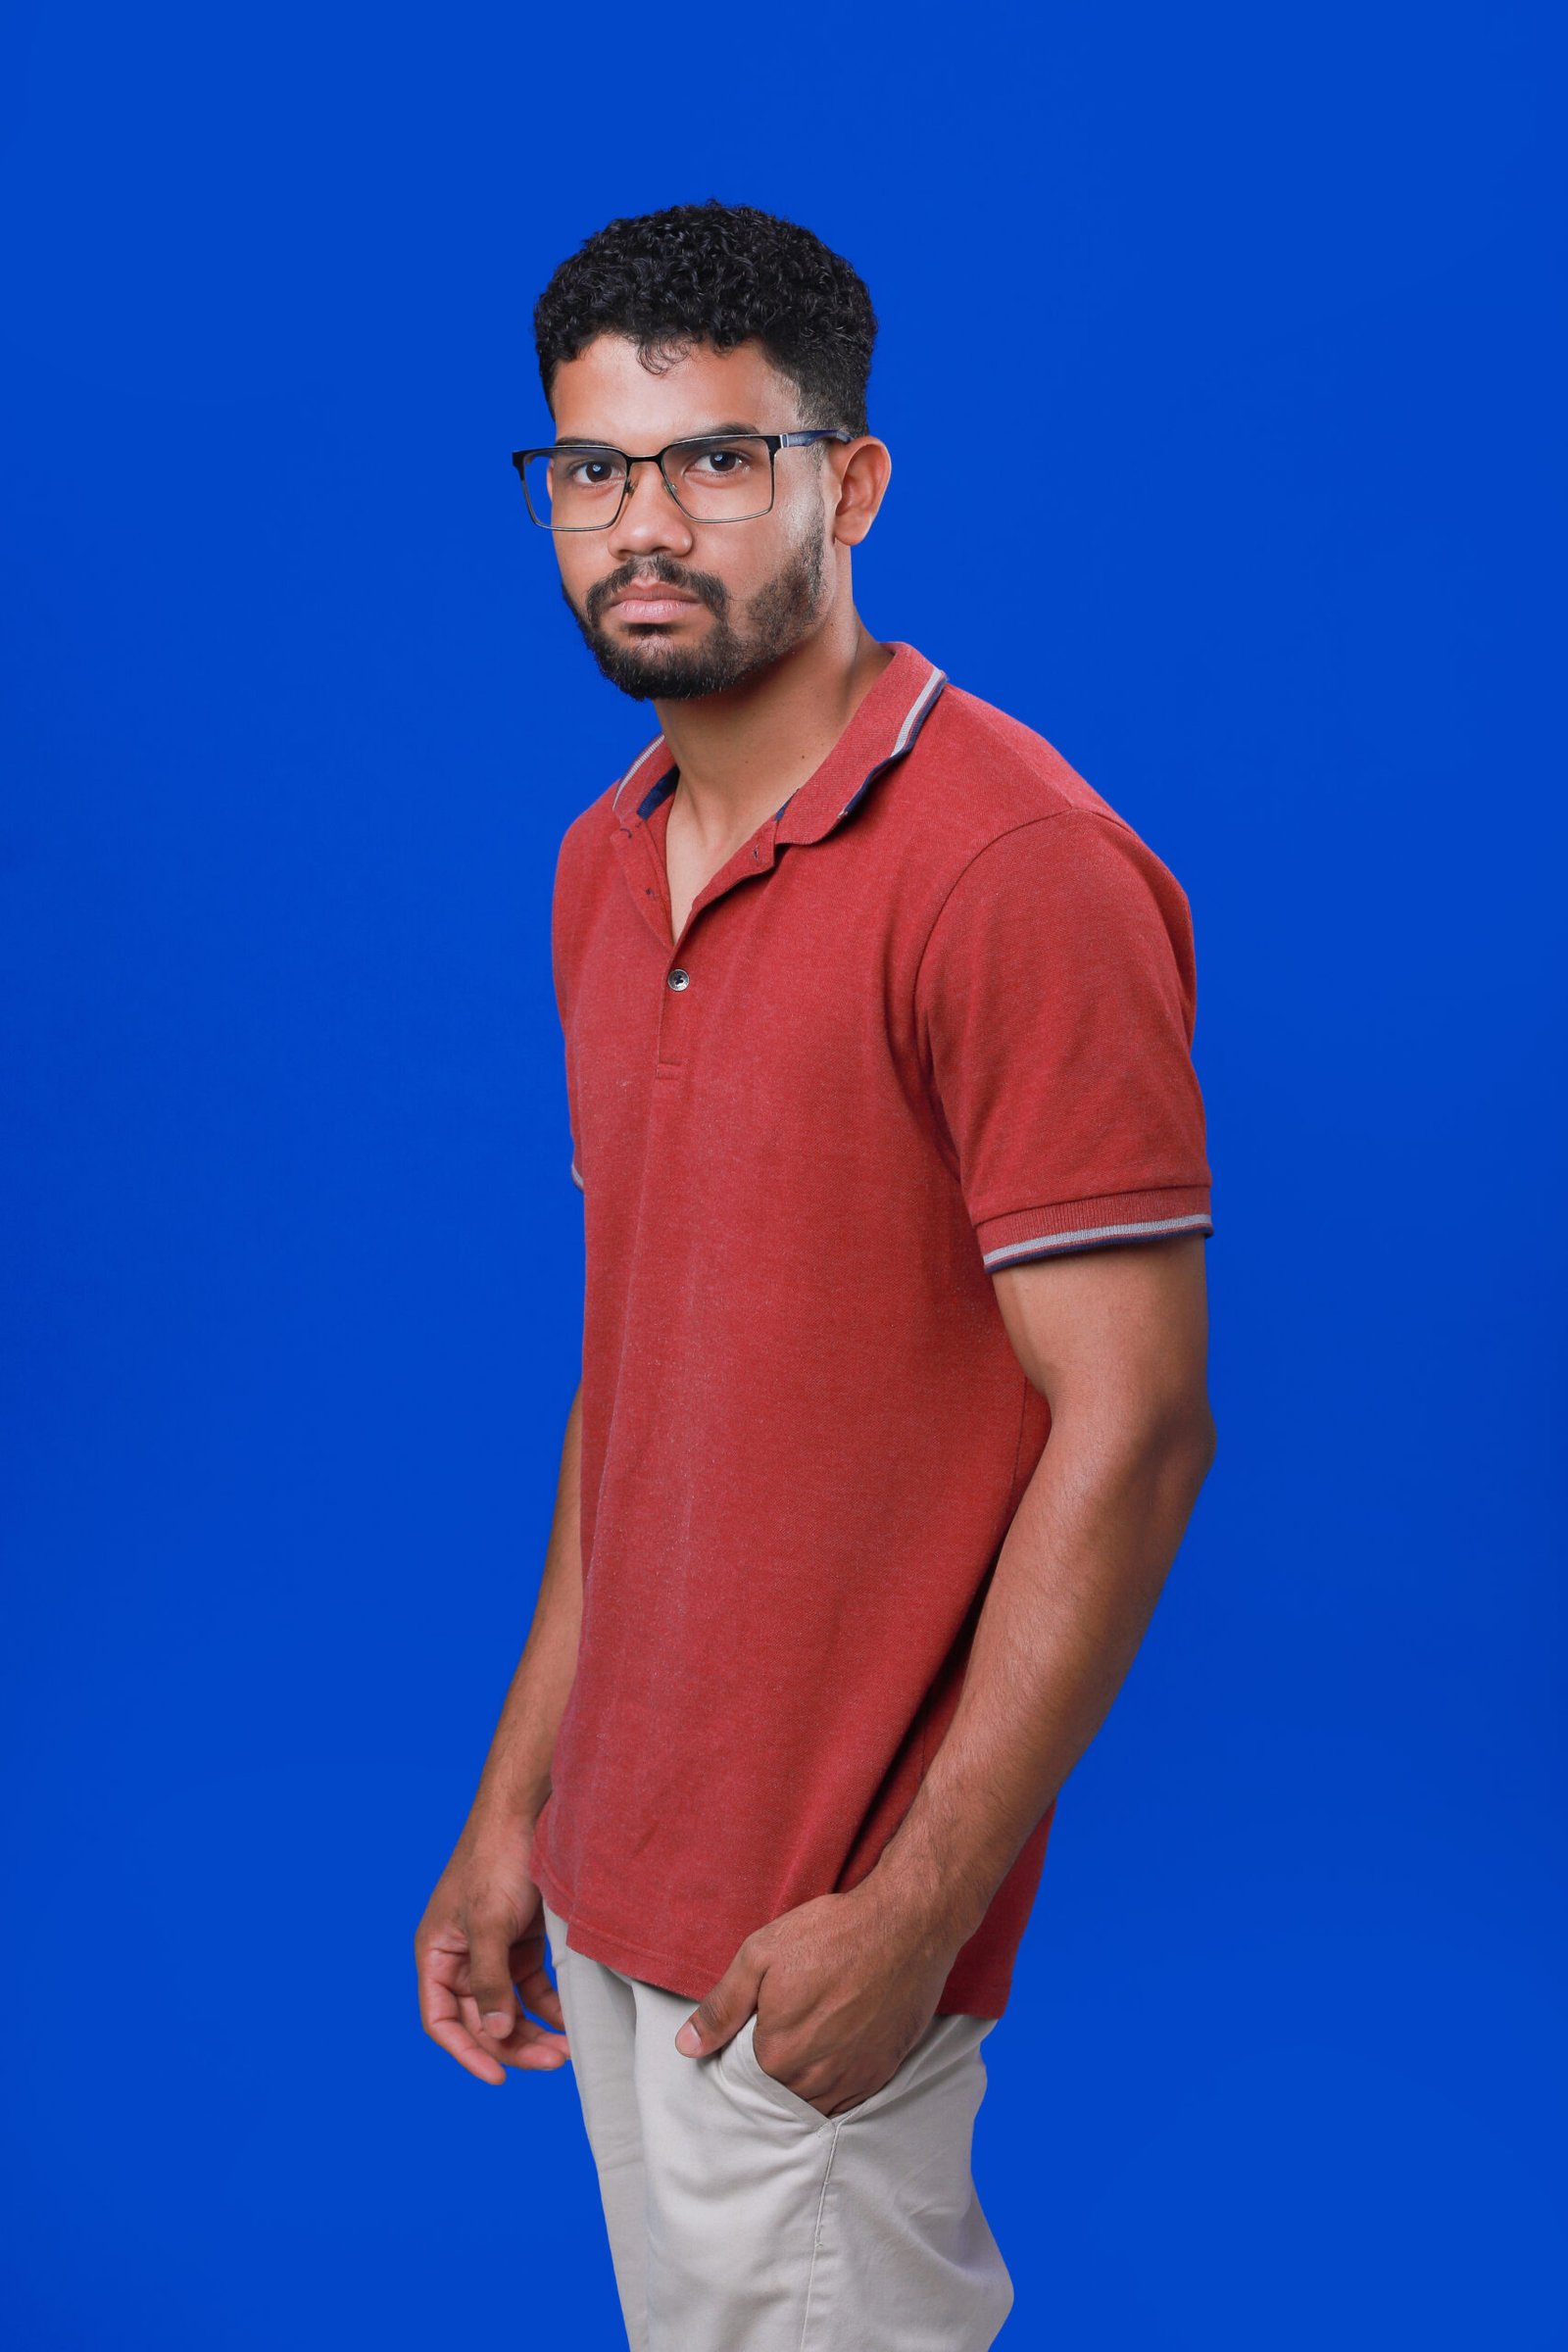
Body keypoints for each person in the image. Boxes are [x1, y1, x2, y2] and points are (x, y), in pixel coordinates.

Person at [415, 198, 1218, 2352]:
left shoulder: (1014, 871)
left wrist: (914, 1909)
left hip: (813, 1941)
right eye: (590, 468)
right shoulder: (603, 863)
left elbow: (1138, 1425)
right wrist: (520, 1808)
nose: (639, 523)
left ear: (847, 485)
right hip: (620, 1888)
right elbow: (641, 1372)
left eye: (712, 459)